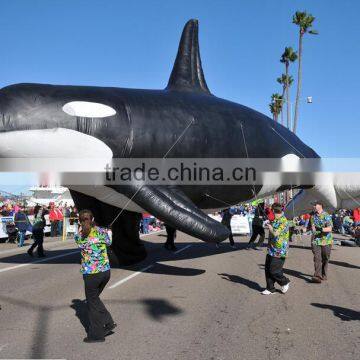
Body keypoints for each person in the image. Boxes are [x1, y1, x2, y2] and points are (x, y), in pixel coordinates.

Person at [75, 209, 116, 343]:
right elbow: (109, 242)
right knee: (94, 299)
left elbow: (79, 242)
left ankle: (97, 334)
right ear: (92, 219)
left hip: (91, 274)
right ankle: (108, 323)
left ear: (80, 221)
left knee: (91, 303)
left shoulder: (81, 235)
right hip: (105, 272)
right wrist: (109, 230)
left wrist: (80, 227)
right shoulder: (101, 231)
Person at [261, 203, 290, 295]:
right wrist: (267, 223)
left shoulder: (283, 221)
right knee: (267, 269)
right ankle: (270, 288)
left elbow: (276, 233)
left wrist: (269, 227)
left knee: (274, 270)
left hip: (279, 250)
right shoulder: (275, 219)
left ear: (274, 211)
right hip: (271, 248)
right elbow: (271, 223)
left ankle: (284, 281)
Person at [310, 201, 333, 283]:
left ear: (320, 206)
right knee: (317, 258)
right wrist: (313, 231)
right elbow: (313, 228)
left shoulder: (326, 215)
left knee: (325, 258)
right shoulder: (313, 216)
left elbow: (330, 228)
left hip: (326, 240)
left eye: (315, 205)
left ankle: (324, 274)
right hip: (316, 240)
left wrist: (321, 229)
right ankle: (317, 276)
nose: (313, 206)